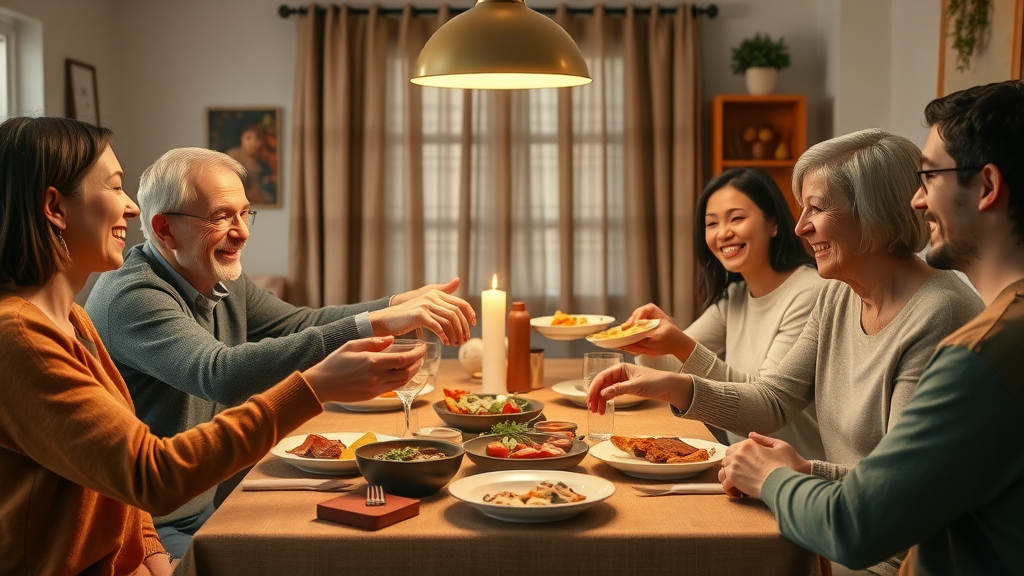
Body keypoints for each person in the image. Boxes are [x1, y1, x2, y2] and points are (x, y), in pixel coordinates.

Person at [0, 116, 427, 576]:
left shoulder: (70, 318)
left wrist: (393, 306)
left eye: (245, 214)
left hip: (152, 538)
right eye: (114, 187)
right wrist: (314, 387)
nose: (129, 208)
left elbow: (119, 476)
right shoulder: (25, 334)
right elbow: (157, 463)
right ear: (55, 207)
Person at [588, 128, 984, 575]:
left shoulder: (939, 313)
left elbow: (899, 494)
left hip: (891, 559)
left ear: (871, 211)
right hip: (828, 529)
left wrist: (792, 472)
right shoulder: (839, 295)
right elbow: (773, 401)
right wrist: (675, 386)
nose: (800, 227)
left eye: (816, 208)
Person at [84, 146, 476, 557]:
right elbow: (221, 375)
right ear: (165, 229)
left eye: (244, 213)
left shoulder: (213, 274)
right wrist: (380, 323)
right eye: (222, 217)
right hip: (144, 527)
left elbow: (300, 324)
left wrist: (394, 305)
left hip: (205, 505)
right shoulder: (133, 295)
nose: (242, 231)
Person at [716, 80, 1024, 576]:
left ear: (986, 187)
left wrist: (772, 476)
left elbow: (857, 524)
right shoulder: (996, 329)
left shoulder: (985, 348)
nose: (917, 201)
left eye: (929, 178)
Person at [623, 168, 827, 460]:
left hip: (800, 471)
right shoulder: (736, 296)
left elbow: (763, 404)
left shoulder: (809, 293)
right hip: (747, 466)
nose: (723, 233)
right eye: (711, 223)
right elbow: (669, 367)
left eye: (737, 218)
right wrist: (647, 334)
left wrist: (680, 343)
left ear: (774, 223)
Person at [225, 123, 275, 205]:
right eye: (248, 138)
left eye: (258, 138)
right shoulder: (231, 156)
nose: (253, 142)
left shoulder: (263, 160)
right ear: (241, 139)